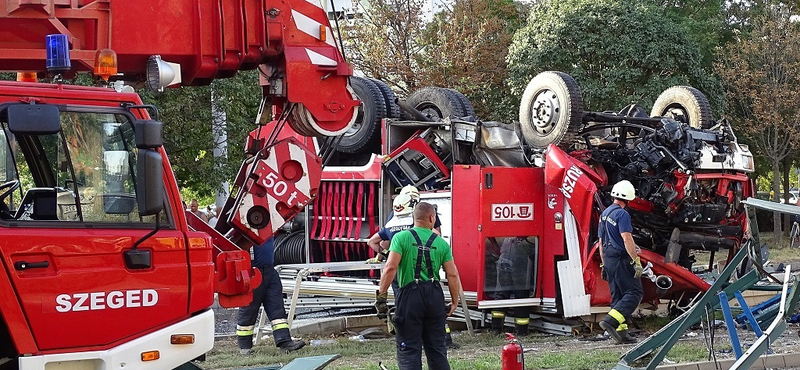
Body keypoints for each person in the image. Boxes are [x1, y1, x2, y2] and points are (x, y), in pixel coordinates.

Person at [366, 186, 456, 348]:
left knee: (405, 309)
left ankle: (409, 341)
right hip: (427, 274)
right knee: (434, 311)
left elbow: (375, 242)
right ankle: (443, 340)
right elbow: (437, 237)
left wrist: (385, 255)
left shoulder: (395, 219)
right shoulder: (425, 213)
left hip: (402, 275)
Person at [374, 202, 461, 370]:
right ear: (431, 218)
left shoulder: (401, 238)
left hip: (409, 298)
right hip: (435, 298)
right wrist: (454, 302)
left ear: (414, 217)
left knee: (409, 349)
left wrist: (381, 297)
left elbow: (390, 268)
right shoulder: (441, 243)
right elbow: (452, 274)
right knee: (437, 349)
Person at [236, 237, 306, 355]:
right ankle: (245, 347)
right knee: (249, 309)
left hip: (269, 271)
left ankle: (284, 342)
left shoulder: (266, 225)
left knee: (277, 309)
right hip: (251, 272)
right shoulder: (246, 227)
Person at [598, 180, 643, 344]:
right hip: (621, 259)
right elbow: (627, 238)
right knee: (634, 293)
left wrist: (603, 264)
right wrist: (635, 260)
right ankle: (610, 321)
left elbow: (601, 242)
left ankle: (621, 333)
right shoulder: (622, 214)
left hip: (609, 259)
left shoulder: (605, 214)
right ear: (628, 199)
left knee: (618, 296)